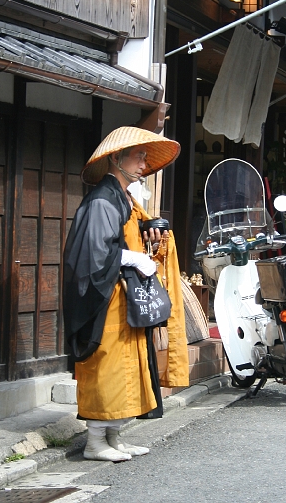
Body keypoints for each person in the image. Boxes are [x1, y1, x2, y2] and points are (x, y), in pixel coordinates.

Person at [63, 126, 189, 462]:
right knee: (106, 367)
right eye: (138, 155)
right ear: (117, 159)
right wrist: (133, 257)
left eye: (146, 156)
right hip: (104, 300)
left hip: (122, 298)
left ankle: (114, 438)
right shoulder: (102, 201)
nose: (143, 162)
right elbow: (93, 253)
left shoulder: (123, 198)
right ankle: (94, 443)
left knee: (127, 368)